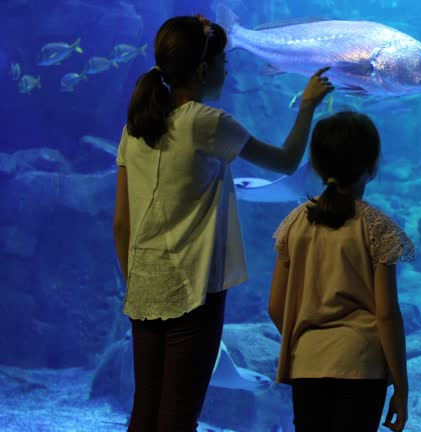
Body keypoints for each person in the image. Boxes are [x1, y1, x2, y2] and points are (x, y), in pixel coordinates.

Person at [111, 14, 333, 431]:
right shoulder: (207, 122)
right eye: (224, 63)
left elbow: (121, 224)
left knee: (146, 406)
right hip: (194, 290)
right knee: (179, 410)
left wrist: (133, 283)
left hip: (143, 286)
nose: (228, 71)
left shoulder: (133, 130)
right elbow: (285, 161)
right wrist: (307, 105)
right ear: (202, 70)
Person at [269, 111, 414, 432]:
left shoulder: (293, 223)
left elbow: (276, 307)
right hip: (361, 366)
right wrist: (401, 386)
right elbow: (387, 314)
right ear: (372, 166)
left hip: (306, 364)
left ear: (318, 166)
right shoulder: (378, 228)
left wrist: (308, 346)